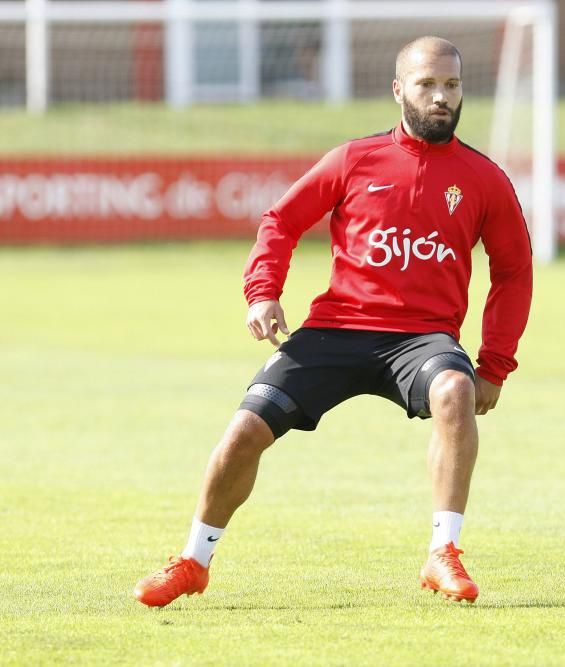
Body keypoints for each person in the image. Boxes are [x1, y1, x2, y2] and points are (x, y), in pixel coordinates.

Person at [134, 36, 533, 608]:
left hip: (421, 340)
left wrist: (494, 363)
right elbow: (281, 220)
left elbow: (514, 272)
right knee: (245, 430)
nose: (441, 97)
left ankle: (443, 552)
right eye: (427, 84)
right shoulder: (354, 159)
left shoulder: (484, 178)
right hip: (337, 328)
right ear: (399, 90)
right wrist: (262, 292)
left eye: (452, 85)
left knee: (455, 388)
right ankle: (193, 560)